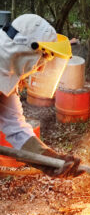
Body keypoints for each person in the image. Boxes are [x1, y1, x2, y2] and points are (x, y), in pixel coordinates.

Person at [0, 14, 82, 177]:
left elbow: (16, 128)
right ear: (25, 51)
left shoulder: (8, 75)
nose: (41, 68)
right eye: (42, 58)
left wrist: (50, 160)